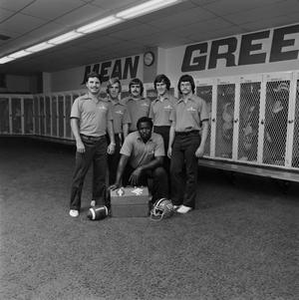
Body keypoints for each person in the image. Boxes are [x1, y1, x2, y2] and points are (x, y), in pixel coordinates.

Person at [69, 72, 116, 218]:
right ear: (87, 84)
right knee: (79, 176)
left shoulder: (105, 103)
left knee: (100, 175)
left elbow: (109, 123)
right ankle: (74, 206)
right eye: (91, 82)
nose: (94, 85)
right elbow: (73, 121)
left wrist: (112, 141)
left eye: (97, 82)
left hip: (101, 142)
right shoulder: (80, 101)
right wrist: (78, 141)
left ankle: (97, 200)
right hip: (85, 142)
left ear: (100, 85)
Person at [168, 74, 209, 214]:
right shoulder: (176, 104)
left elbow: (205, 125)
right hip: (178, 139)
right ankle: (176, 201)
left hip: (193, 138)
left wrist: (202, 145)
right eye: (182, 85)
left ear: (192, 86)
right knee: (174, 170)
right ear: (179, 87)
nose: (184, 87)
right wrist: (170, 145)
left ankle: (188, 203)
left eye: (187, 84)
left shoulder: (200, 102)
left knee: (191, 172)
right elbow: (173, 125)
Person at [110, 116, 169, 204]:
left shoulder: (158, 138)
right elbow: (123, 160)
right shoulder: (130, 138)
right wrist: (117, 182)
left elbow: (159, 160)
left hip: (147, 168)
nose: (144, 131)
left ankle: (159, 201)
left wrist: (141, 169)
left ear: (152, 128)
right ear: (138, 130)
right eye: (141, 129)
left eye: (147, 128)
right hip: (132, 169)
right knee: (135, 195)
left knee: (160, 171)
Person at [149, 74, 176, 175]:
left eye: (162, 84)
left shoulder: (174, 101)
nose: (160, 87)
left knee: (169, 162)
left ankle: (169, 189)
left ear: (167, 86)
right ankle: (159, 188)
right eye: (158, 85)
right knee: (157, 161)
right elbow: (151, 122)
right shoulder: (153, 103)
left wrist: (171, 145)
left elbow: (175, 123)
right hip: (156, 133)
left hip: (169, 132)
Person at [106, 77, 131, 185]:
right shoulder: (103, 103)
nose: (114, 90)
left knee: (114, 167)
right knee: (101, 168)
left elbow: (125, 124)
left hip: (116, 138)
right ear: (108, 89)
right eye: (111, 87)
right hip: (102, 137)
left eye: (116, 87)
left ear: (119, 89)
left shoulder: (123, 106)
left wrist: (125, 141)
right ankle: (98, 196)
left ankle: (111, 194)